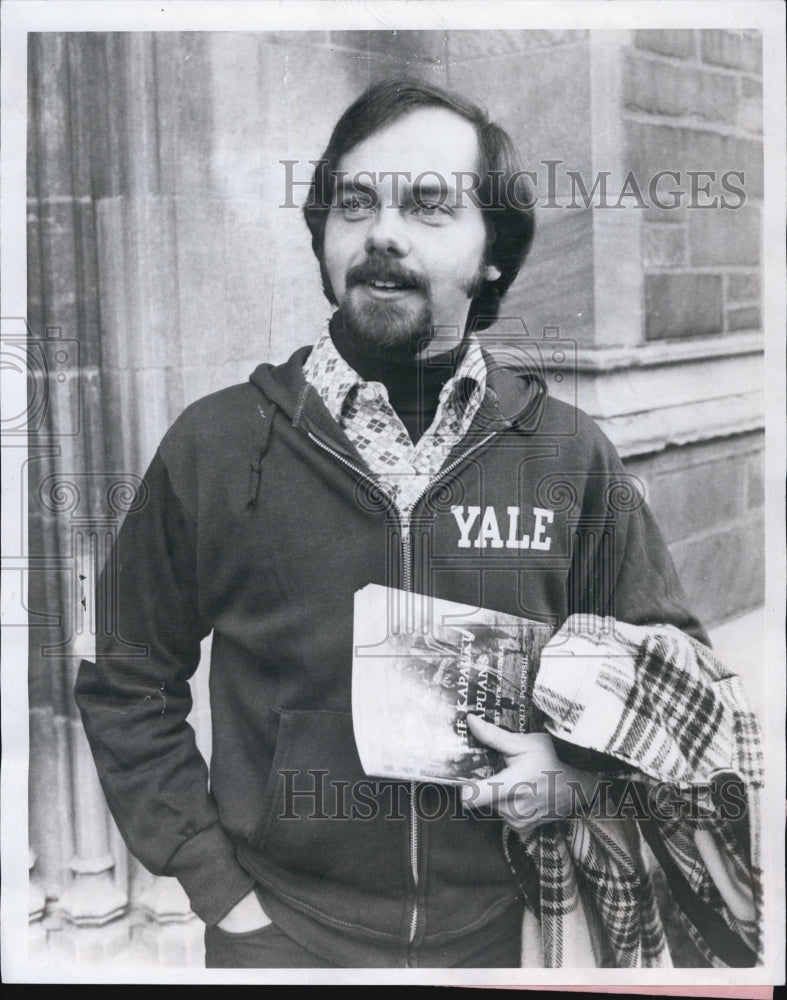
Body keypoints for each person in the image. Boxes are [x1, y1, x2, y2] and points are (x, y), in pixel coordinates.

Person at [75, 80, 762, 970]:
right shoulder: (215, 444)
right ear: (322, 234)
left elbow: (675, 679)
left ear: (492, 254)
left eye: (430, 205)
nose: (383, 233)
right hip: (279, 937)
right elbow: (122, 674)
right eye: (354, 203)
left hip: (518, 935)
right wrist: (218, 888)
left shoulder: (567, 455)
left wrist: (579, 775)